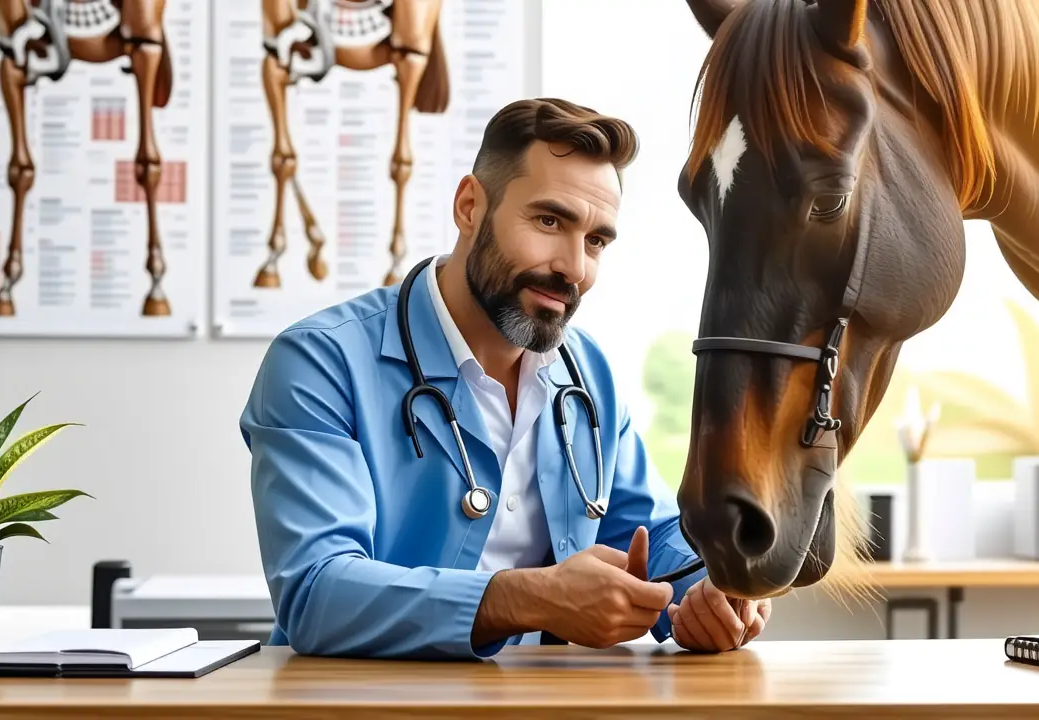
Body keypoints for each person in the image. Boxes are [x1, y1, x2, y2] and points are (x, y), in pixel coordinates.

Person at [239, 97, 772, 660]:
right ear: (470, 207)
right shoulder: (320, 363)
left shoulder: (586, 374)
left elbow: (655, 538)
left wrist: (710, 592)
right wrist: (531, 600)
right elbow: (316, 595)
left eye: (596, 240)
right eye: (549, 221)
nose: (574, 267)